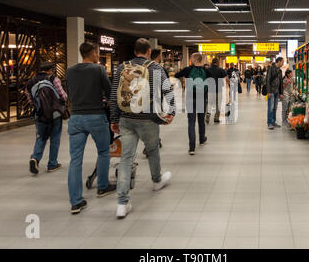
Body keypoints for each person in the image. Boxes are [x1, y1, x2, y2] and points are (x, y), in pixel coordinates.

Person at [109, 38, 175, 219]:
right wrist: (171, 112)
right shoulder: (155, 68)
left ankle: (122, 203)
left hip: (126, 118)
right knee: (152, 150)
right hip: (148, 117)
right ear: (148, 51)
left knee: (126, 158)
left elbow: (114, 94)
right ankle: (156, 181)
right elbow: (167, 90)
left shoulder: (122, 67)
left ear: (135, 50)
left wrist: (114, 119)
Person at [66, 42, 116, 215]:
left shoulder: (70, 71)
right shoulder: (98, 69)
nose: (98, 56)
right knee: (103, 151)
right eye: (97, 53)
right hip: (95, 116)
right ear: (93, 53)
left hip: (76, 118)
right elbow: (110, 92)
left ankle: (76, 202)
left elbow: (69, 94)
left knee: (75, 159)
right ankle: (102, 186)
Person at [26, 62, 67, 175]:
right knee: (55, 138)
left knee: (41, 137)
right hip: (55, 114)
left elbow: (30, 101)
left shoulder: (30, 82)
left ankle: (35, 158)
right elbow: (63, 96)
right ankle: (52, 164)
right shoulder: (53, 79)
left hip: (40, 115)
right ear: (50, 70)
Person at [175, 52, 212, 155]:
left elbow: (177, 75)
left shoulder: (188, 70)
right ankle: (202, 140)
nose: (190, 60)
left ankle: (192, 147)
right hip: (202, 98)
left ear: (194, 60)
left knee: (191, 122)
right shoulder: (206, 70)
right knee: (201, 120)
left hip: (190, 98)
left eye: (191, 58)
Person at [206, 58, 229, 124]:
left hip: (210, 90)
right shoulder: (221, 70)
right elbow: (227, 79)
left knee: (209, 103)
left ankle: (208, 114)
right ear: (217, 62)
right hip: (218, 90)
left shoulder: (207, 70)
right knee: (218, 104)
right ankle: (216, 118)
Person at [266, 57, 284, 130]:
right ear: (278, 61)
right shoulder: (271, 68)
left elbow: (281, 82)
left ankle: (273, 121)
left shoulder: (280, 71)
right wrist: (268, 91)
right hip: (271, 91)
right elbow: (268, 80)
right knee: (270, 108)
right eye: (282, 62)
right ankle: (269, 123)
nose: (283, 63)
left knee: (275, 108)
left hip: (277, 92)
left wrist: (281, 93)